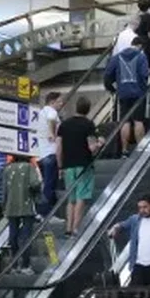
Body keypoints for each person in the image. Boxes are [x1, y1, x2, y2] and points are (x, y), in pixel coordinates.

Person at [57, 96, 103, 236]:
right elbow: (91, 148)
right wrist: (100, 143)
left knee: (71, 199)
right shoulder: (88, 124)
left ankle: (68, 228)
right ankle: (76, 228)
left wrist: (60, 167)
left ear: (76, 107)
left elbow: (58, 147)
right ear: (88, 109)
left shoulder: (64, 125)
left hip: (68, 166)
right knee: (81, 197)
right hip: (84, 166)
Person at [104, 36, 150, 157]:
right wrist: (144, 88)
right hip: (138, 93)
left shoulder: (117, 57)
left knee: (125, 122)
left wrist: (113, 89)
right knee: (138, 121)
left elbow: (107, 75)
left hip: (123, 93)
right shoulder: (141, 56)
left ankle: (124, 150)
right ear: (140, 46)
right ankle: (141, 149)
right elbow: (145, 74)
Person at [2, 155, 41, 275]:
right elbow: (35, 183)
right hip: (26, 206)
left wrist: (4, 206)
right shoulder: (29, 167)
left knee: (13, 235)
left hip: (11, 207)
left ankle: (13, 265)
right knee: (25, 237)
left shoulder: (7, 169)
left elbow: (4, 190)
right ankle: (25, 265)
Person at [37, 92, 63, 217]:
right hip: (51, 153)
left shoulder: (41, 113)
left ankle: (46, 212)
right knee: (50, 185)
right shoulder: (51, 111)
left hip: (42, 155)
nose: (61, 104)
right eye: (59, 101)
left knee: (46, 184)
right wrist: (53, 133)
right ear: (52, 102)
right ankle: (46, 212)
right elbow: (52, 119)